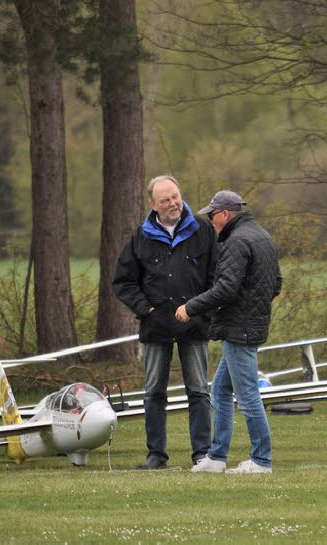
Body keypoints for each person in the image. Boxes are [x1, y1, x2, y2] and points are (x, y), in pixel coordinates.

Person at [113, 175, 217, 469]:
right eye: (165, 200)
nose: (173, 203)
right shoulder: (140, 237)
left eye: (175, 196)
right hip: (155, 327)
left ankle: (202, 454)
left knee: (198, 390)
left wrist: (201, 308)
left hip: (194, 325)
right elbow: (123, 282)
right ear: (153, 205)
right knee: (153, 393)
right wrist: (146, 309)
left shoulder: (203, 230)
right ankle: (156, 455)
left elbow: (216, 275)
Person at [175, 190, 281, 474]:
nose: (211, 221)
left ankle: (261, 460)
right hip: (250, 324)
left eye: (212, 216)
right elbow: (276, 285)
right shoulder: (263, 237)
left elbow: (226, 289)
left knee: (247, 395)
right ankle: (217, 457)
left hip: (239, 329)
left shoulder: (236, 241)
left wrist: (191, 307)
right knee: (220, 391)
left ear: (225, 214)